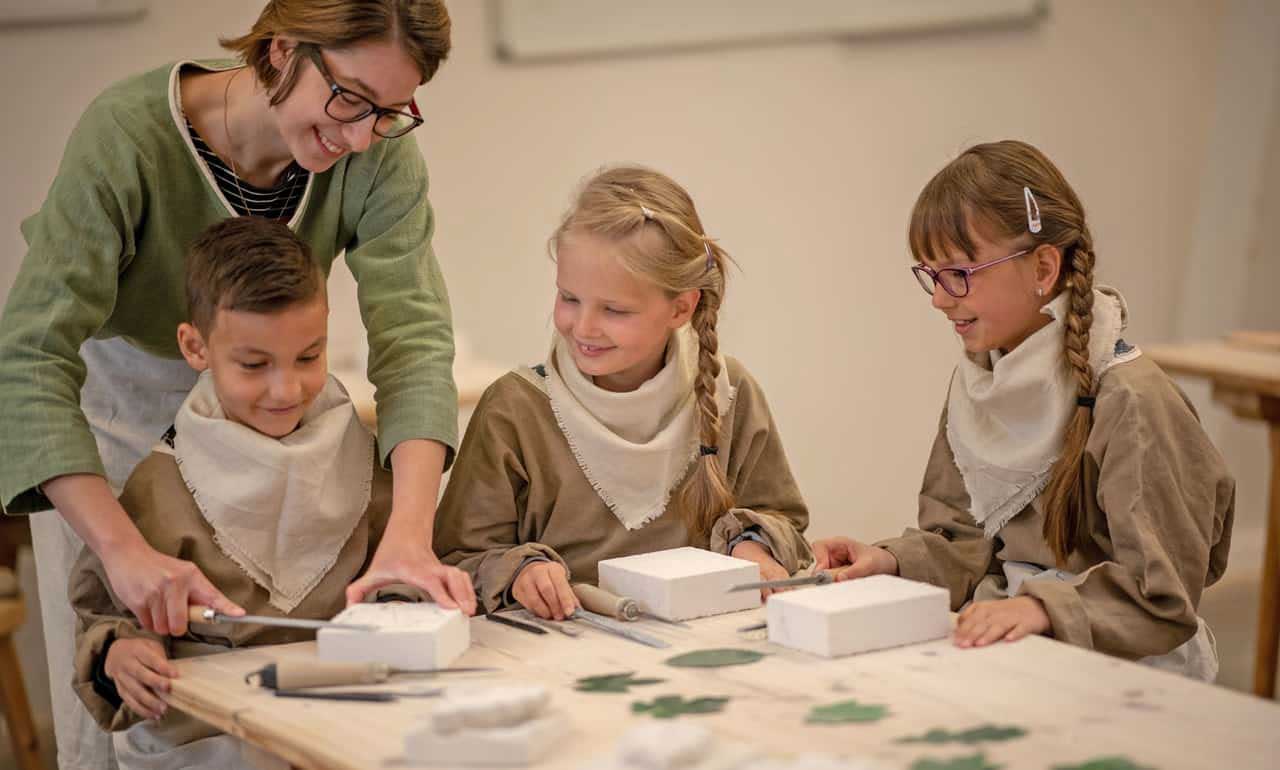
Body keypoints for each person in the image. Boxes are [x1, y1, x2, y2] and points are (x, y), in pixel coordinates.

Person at [0, 3, 471, 767]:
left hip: (275, 427)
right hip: (119, 415)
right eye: (349, 97)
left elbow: (414, 343)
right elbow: (29, 356)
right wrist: (121, 549)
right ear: (283, 48)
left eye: (388, 112)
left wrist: (409, 539)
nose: (358, 136)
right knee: (131, 697)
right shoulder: (127, 137)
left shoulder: (376, 152)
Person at [812, 140, 1234, 681]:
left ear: (1043, 265)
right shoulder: (979, 382)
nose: (939, 299)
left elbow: (1162, 595)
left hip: (1122, 666)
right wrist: (891, 561)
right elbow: (965, 543)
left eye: (959, 273)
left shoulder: (1132, 400)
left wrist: (1039, 607)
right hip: (1009, 643)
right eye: (931, 275)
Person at [71, 216, 396, 769]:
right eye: (253, 365)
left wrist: (401, 613)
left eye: (308, 357)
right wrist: (126, 650)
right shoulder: (161, 482)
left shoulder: (363, 457)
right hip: (213, 739)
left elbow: (404, 574)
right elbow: (105, 613)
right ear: (195, 347)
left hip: (345, 721)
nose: (286, 389)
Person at [435, 165, 813, 619]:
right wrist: (519, 572)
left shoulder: (730, 392)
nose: (584, 327)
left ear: (681, 308)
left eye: (614, 310)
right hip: (558, 654)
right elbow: (457, 558)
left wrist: (753, 547)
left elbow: (784, 520)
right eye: (569, 298)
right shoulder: (514, 409)